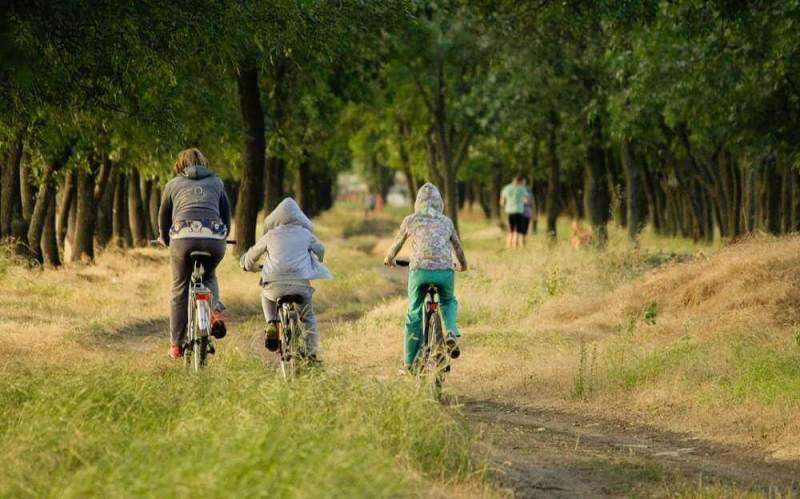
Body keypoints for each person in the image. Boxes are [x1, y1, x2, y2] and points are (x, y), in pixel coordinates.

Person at [383, 183, 468, 371]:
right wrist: (463, 266)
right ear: (440, 203)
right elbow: (458, 249)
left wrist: (389, 259)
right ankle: (451, 332)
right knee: (448, 301)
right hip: (445, 272)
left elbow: (397, 244)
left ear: (417, 202)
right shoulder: (447, 222)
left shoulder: (411, 220)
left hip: (419, 272)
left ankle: (408, 363)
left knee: (414, 311)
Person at [158, 148, 231, 360]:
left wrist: (164, 239)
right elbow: (226, 216)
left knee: (180, 287)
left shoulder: (172, 185)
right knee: (209, 276)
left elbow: (163, 218)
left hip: (182, 238)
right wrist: (222, 236)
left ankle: (176, 345)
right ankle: (215, 312)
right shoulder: (217, 182)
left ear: (180, 165)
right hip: (214, 237)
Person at [239, 198, 331, 360]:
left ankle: (272, 323)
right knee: (307, 317)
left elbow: (250, 258)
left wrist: (247, 265)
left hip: (274, 285)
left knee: (266, 296)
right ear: (300, 218)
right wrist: (316, 258)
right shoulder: (305, 233)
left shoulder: (270, 235)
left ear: (275, 219)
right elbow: (321, 251)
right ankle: (311, 354)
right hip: (300, 284)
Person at [500, 175, 531, 249]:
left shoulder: (506, 188)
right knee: (517, 229)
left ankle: (508, 245)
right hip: (519, 210)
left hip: (509, 210)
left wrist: (504, 205)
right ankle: (515, 246)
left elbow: (502, 201)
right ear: (519, 181)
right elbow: (527, 200)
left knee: (510, 229)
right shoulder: (522, 188)